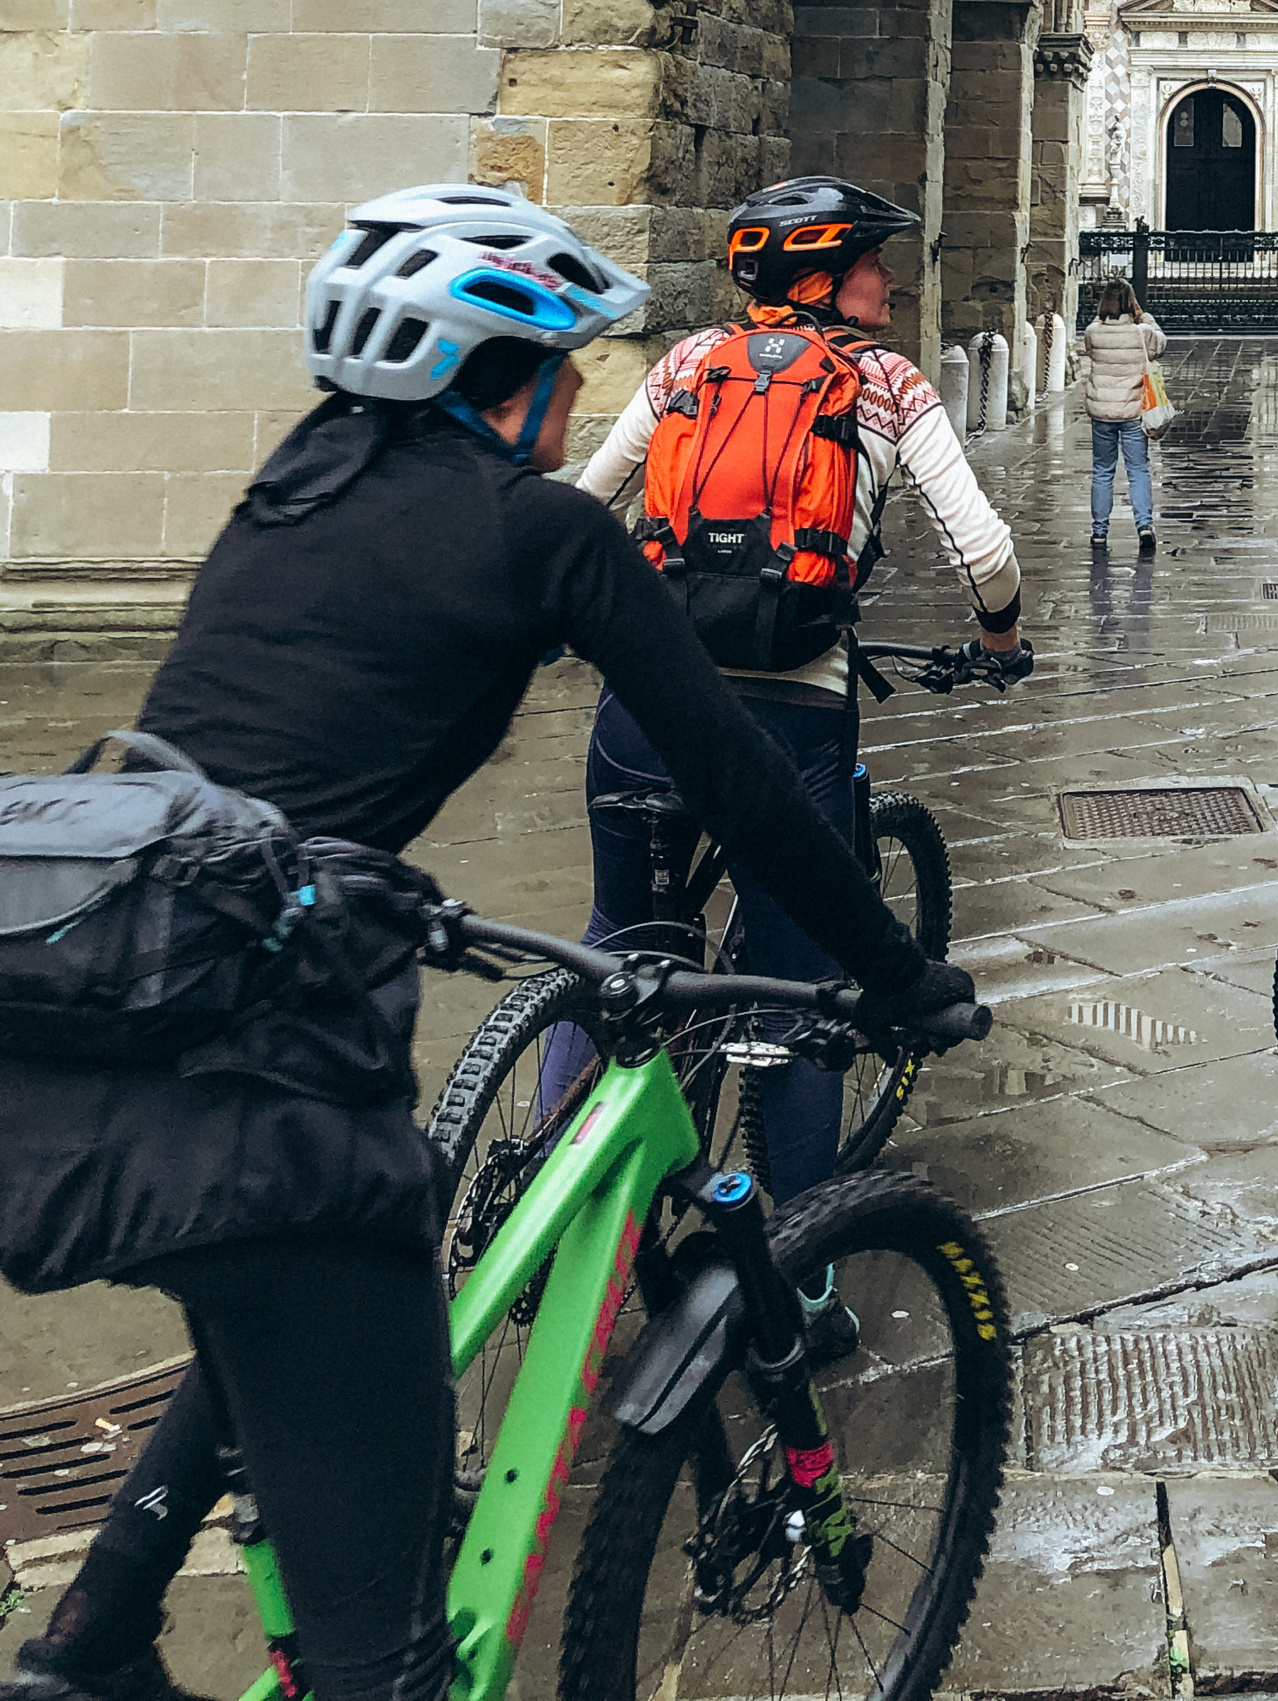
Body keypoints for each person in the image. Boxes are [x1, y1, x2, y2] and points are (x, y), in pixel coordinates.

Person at [1, 183, 973, 1701]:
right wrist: (896, 975)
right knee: (383, 1646)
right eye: (562, 362)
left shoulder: (296, 481)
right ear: (501, 380)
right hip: (265, 1080)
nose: (582, 387)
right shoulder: (543, 534)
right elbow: (739, 778)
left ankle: (96, 1631)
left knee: (261, 1303)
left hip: (83, 999)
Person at [563, 172, 1025, 1219]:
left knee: (615, 943)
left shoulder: (685, 361)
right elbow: (985, 550)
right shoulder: (886, 384)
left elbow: (587, 503)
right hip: (792, 714)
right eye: (872, 265)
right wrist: (998, 632)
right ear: (820, 274)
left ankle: (555, 1190)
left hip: (647, 698)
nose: (889, 286)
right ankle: (801, 1279)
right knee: (802, 982)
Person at [1073, 277, 1165, 557]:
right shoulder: (1142, 331)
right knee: (1138, 469)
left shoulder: (1092, 331)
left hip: (1102, 409)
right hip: (1133, 410)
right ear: (1130, 302)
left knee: (1102, 470)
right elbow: (1160, 346)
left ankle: (1099, 531)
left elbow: (1091, 353)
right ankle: (1144, 526)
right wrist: (1146, 318)